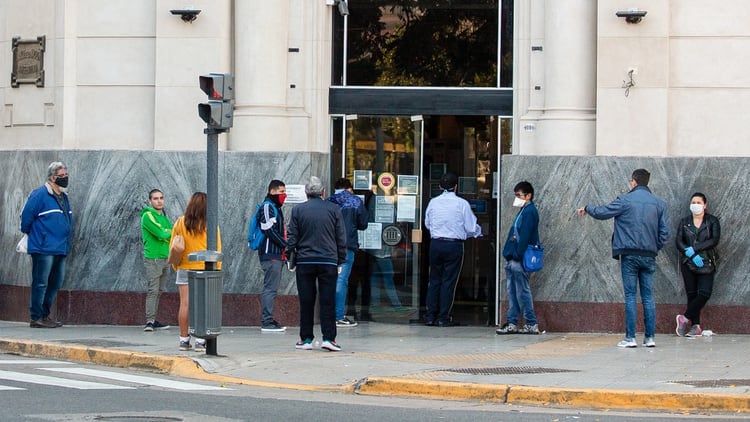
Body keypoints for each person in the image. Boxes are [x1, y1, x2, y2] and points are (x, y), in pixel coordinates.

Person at [576, 169, 669, 348]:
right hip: (649, 255)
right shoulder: (659, 204)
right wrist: (654, 247)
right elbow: (665, 233)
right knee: (648, 297)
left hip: (629, 254)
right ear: (647, 182)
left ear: (633, 182)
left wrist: (587, 208)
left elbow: (603, 212)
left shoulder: (625, 200)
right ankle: (650, 338)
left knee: (630, 296)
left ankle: (630, 337)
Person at [287, 176, 347, 351]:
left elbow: (292, 237)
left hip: (305, 261)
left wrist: (291, 257)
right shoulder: (334, 209)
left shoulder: (298, 210)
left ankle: (306, 339)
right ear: (323, 192)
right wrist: (341, 259)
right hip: (328, 260)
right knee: (327, 300)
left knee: (306, 301)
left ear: (306, 193)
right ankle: (329, 338)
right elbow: (340, 237)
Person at [423, 172, 482, 327]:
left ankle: (430, 316)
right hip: (454, 245)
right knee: (449, 281)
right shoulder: (462, 204)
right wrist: (477, 233)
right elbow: (470, 227)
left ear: (440, 186)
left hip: (435, 244)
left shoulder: (433, 202)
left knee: (434, 280)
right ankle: (443, 317)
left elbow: (427, 224)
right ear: (456, 187)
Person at [20, 162, 74, 328]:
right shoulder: (40, 194)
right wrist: (39, 236)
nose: (65, 178)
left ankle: (45, 314)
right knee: (41, 282)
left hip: (60, 247)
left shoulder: (63, 197)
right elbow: (26, 219)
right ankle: (36, 317)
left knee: (55, 282)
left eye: (66, 175)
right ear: (52, 178)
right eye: (62, 176)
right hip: (43, 248)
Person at [170, 192, 222, 351]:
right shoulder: (210, 224)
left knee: (185, 304)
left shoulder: (180, 222)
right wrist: (217, 269)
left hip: (185, 267)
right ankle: (200, 340)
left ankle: (184, 340)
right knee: (203, 306)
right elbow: (217, 247)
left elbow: (174, 244)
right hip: (205, 269)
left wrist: (176, 266)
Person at [496, 181, 541, 335]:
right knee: (513, 291)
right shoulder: (524, 211)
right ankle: (513, 321)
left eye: (519, 195)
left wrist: (517, 255)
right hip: (514, 258)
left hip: (519, 259)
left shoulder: (530, 212)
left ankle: (530, 322)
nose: (517, 198)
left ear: (528, 196)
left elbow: (525, 236)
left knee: (522, 291)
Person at [674, 192, 720, 337]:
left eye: (699, 203)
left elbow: (714, 240)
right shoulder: (684, 221)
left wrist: (696, 249)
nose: (695, 205)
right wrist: (691, 254)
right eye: (693, 202)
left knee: (705, 293)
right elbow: (679, 241)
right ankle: (695, 326)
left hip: (707, 261)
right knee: (692, 294)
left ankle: (684, 318)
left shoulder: (712, 221)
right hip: (688, 263)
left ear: (705, 205)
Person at [326, 178, 368, 328]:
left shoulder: (328, 201)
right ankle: (338, 316)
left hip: (328, 247)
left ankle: (327, 314)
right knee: (341, 280)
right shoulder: (355, 201)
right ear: (349, 188)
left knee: (329, 279)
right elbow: (363, 224)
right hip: (346, 246)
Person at [256, 179, 288, 332]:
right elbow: (268, 229)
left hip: (276, 254)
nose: (284, 195)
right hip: (271, 254)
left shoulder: (274, 206)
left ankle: (269, 319)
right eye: (282, 191)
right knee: (270, 289)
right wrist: (284, 244)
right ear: (273, 191)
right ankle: (267, 321)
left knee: (272, 288)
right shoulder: (268, 206)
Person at [140, 189, 172, 332]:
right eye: (155, 198)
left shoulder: (164, 218)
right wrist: (168, 234)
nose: (159, 201)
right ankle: (149, 321)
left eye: (161, 198)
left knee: (159, 290)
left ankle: (154, 319)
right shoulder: (148, 215)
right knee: (153, 290)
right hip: (153, 258)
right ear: (150, 201)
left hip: (166, 257)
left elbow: (170, 233)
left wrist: (168, 234)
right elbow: (161, 233)